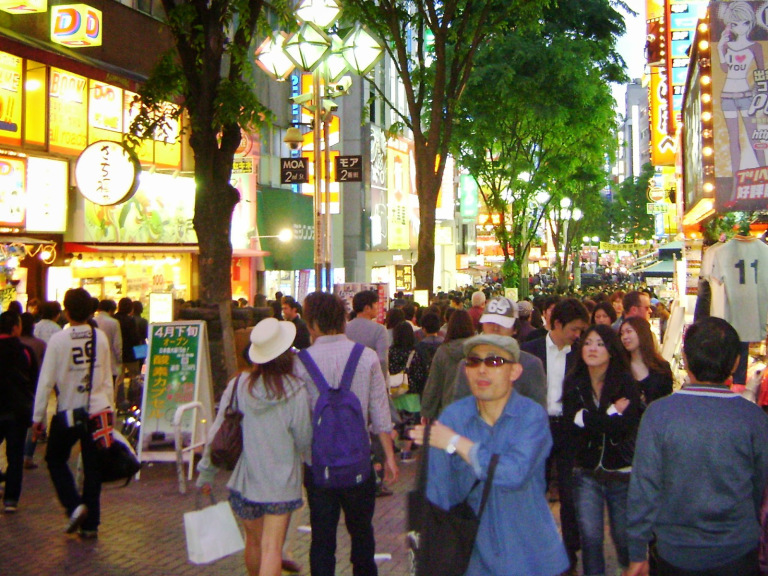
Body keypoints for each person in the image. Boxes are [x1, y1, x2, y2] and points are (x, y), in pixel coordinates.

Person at [409, 333, 570, 576]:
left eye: (494, 361)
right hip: (472, 554)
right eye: (473, 362)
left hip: (527, 555)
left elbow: (513, 473)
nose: (482, 370)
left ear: (514, 372)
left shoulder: (531, 416)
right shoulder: (453, 417)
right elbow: (437, 495)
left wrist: (456, 443)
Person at [626, 317, 768, 576]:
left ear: (685, 358)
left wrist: (637, 551)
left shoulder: (659, 414)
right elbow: (759, 486)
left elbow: (643, 488)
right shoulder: (753, 418)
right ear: (736, 362)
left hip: (675, 551)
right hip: (738, 549)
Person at [292, 291, 398, 576]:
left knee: (322, 540)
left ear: (312, 323)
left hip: (318, 466)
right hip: (358, 463)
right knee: (362, 535)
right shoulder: (367, 357)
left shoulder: (300, 364)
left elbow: (299, 421)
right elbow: (380, 414)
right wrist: (389, 457)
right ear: (342, 320)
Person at [197, 318, 312, 576]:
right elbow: (304, 439)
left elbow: (217, 431)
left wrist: (206, 472)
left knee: (253, 543)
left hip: (245, 482)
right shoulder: (296, 390)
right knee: (272, 548)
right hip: (281, 483)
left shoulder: (239, 385)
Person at [31, 288, 115, 538]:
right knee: (93, 469)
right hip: (98, 409)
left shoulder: (59, 340)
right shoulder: (99, 337)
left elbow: (45, 382)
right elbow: (107, 378)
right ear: (90, 311)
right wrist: (110, 409)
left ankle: (74, 505)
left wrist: (37, 418)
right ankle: (91, 525)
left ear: (66, 312)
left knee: (55, 458)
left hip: (69, 410)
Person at [562, 324, 642, 576]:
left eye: (599, 344)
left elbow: (624, 427)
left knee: (623, 536)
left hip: (620, 470)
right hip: (585, 469)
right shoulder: (574, 382)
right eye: (587, 343)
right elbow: (570, 424)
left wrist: (587, 418)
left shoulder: (625, 382)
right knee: (590, 537)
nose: (592, 349)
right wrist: (611, 412)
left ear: (611, 349)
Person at [521, 297, 590, 574]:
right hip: (538, 429)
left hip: (570, 430)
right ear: (557, 324)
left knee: (570, 495)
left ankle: (569, 554)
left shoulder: (581, 354)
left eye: (581, 330)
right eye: (574, 329)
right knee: (535, 491)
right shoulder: (530, 351)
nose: (577, 335)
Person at [453, 296, 547, 408]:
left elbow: (538, 410)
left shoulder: (530, 365)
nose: (495, 328)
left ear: (515, 329)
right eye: (489, 322)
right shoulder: (467, 365)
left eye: (502, 323)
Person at [0, 311, 39, 512]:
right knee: (15, 456)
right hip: (18, 411)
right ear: (16, 328)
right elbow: (34, 382)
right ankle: (11, 500)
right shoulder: (25, 351)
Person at [420, 309, 476, 421]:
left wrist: (426, 412)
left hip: (448, 412)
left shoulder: (443, 352)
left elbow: (434, 385)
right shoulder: (478, 351)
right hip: (475, 412)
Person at [620, 317, 673, 405]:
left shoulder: (662, 368)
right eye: (622, 334)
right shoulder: (620, 368)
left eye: (629, 331)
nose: (624, 337)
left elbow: (667, 401)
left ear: (642, 333)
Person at [19, 312, 46, 470]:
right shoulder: (40, 344)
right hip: (34, 387)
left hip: (14, 390)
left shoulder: (12, 343)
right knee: (34, 423)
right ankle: (28, 457)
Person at [345, 290, 389, 378]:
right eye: (375, 304)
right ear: (367, 308)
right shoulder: (379, 330)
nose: (378, 307)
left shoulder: (344, 328)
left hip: (347, 377)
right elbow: (382, 360)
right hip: (370, 377)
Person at [94, 299, 123, 389]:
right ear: (111, 310)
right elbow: (117, 344)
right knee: (110, 389)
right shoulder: (114, 323)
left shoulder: (92, 321)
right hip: (111, 363)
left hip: (95, 362)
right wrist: (120, 360)